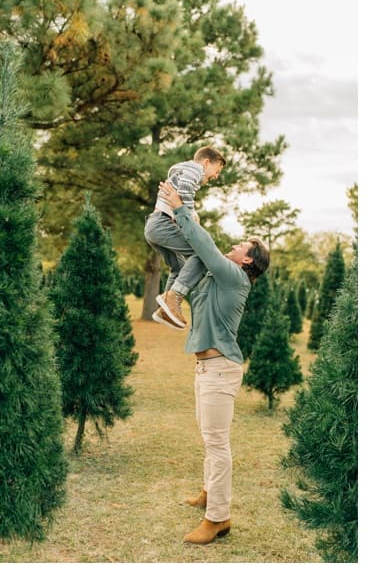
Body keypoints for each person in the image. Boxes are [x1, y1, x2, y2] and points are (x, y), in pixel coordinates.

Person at [158, 180, 269, 545]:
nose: (235, 246)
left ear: (248, 259)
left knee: (218, 444)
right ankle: (208, 493)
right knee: (210, 440)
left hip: (221, 369)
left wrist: (181, 208)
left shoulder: (234, 277)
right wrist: (172, 229)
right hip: (207, 368)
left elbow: (205, 246)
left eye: (242, 246)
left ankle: (218, 518)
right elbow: (190, 259)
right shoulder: (216, 279)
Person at [144, 146, 227, 330]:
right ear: (206, 162)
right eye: (216, 170)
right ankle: (173, 298)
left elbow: (182, 189)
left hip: (155, 225)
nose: (215, 176)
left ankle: (165, 309)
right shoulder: (194, 169)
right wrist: (188, 213)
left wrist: (191, 211)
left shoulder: (183, 170)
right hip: (163, 224)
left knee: (179, 268)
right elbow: (186, 187)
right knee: (203, 254)